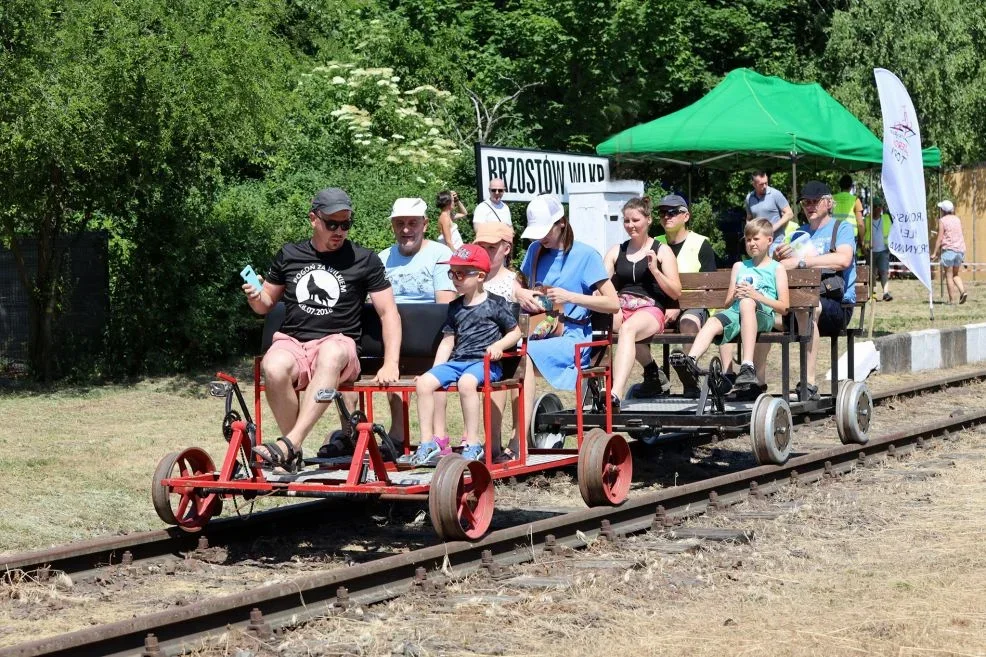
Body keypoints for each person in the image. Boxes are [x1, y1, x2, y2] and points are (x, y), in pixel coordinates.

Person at [243, 188, 401, 471]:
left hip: (340, 346)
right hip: (294, 342)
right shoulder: (290, 254)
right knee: (273, 365)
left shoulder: (364, 260)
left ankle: (289, 444)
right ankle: (291, 451)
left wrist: (390, 363)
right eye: (332, 224)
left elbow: (388, 312)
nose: (339, 231)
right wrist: (256, 297)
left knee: (330, 351)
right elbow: (265, 304)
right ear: (313, 219)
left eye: (345, 224)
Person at [514, 194, 619, 430]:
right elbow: (516, 282)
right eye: (537, 232)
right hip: (541, 330)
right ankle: (509, 434)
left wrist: (570, 297)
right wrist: (520, 293)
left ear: (561, 222)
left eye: (545, 231)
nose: (541, 238)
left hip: (574, 335)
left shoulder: (586, 255)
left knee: (524, 354)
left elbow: (613, 303)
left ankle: (519, 434)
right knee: (505, 356)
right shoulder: (535, 250)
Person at [411, 245, 522, 464]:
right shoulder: (454, 307)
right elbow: (448, 340)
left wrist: (499, 345)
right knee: (423, 383)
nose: (455, 278)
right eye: (452, 272)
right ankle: (427, 442)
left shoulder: (495, 303)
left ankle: (472, 442)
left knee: (466, 383)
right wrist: (433, 370)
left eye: (461, 273)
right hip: (458, 361)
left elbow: (515, 331)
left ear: (480, 276)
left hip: (485, 363)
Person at [671, 218, 789, 390]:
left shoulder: (776, 268)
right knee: (713, 320)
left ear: (769, 240)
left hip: (763, 315)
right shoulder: (739, 266)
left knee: (748, 303)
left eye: (756, 239)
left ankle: (747, 365)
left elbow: (784, 307)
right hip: (736, 312)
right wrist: (734, 295)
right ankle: (691, 362)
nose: (751, 244)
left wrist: (756, 296)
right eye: (748, 240)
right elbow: (727, 304)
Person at [378, 197, 457, 444]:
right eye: (399, 223)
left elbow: (444, 307)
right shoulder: (383, 258)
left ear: (424, 224)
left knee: (436, 369)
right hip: (394, 338)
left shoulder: (440, 254)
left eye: (412, 223)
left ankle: (437, 434)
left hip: (432, 337)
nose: (406, 230)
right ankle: (398, 431)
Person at [772, 180, 857, 400]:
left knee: (808, 308)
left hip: (837, 304)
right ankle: (756, 381)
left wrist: (801, 261)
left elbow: (844, 259)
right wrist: (779, 256)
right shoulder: (799, 233)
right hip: (802, 300)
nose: (810, 206)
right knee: (762, 311)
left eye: (815, 202)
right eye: (805, 203)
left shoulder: (842, 228)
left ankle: (808, 382)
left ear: (829, 203)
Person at [604, 196, 681, 407]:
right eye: (626, 221)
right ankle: (650, 372)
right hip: (622, 305)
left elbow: (675, 291)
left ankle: (615, 394)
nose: (630, 226)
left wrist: (655, 270)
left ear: (648, 220)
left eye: (635, 220)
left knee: (628, 330)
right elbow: (601, 282)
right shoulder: (616, 250)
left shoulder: (661, 250)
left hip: (650, 308)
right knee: (600, 325)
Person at [654, 194, 719, 397]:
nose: (667, 216)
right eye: (663, 212)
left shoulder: (701, 244)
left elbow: (708, 287)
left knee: (689, 321)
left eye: (673, 212)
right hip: (659, 307)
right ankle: (652, 374)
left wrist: (679, 306)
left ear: (686, 216)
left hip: (694, 307)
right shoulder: (654, 243)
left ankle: (689, 369)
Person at [474, 222, 521, 459]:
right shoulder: (473, 279)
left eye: (491, 247)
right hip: (476, 350)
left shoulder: (512, 281)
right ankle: (479, 440)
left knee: (506, 371)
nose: (486, 252)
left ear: (506, 249)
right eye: (481, 247)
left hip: (505, 350)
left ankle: (511, 438)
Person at [745, 171, 795, 249]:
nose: (765, 186)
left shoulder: (775, 194)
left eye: (766, 183)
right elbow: (749, 218)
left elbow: (789, 213)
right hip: (758, 243)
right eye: (761, 184)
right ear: (754, 184)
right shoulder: (749, 198)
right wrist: (748, 234)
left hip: (776, 241)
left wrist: (772, 228)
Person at [932, 200, 968, 305]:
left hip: (949, 250)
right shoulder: (957, 219)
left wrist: (934, 253)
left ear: (943, 210)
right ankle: (963, 292)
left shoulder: (942, 220)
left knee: (948, 275)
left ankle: (952, 301)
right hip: (960, 250)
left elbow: (940, 238)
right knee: (955, 274)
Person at [864, 197, 893, 301]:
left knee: (884, 272)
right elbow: (864, 234)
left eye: (879, 206)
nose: (878, 208)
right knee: (872, 274)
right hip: (870, 251)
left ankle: (886, 293)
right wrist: (864, 247)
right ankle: (873, 294)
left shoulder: (886, 218)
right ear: (872, 208)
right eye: (875, 206)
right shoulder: (867, 219)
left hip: (883, 250)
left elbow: (893, 232)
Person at [832, 174, 865, 253]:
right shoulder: (855, 200)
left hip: (835, 234)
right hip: (851, 235)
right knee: (850, 260)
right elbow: (860, 224)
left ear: (840, 185)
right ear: (851, 186)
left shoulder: (832, 198)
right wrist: (862, 241)